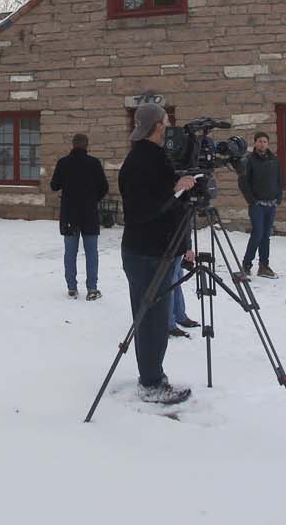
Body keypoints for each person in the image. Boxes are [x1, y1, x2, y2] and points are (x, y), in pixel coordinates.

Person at [118, 102, 197, 405]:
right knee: (151, 320)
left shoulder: (156, 157)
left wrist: (182, 190)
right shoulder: (138, 162)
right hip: (146, 253)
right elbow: (142, 211)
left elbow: (170, 205)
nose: (169, 126)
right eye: (165, 121)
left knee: (154, 318)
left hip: (159, 249)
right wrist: (176, 189)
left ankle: (152, 375)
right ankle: (150, 383)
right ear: (157, 127)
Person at [49, 133, 109, 300]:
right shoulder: (94, 163)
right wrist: (92, 199)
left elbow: (54, 186)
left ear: (73, 145)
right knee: (91, 253)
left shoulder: (63, 163)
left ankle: (72, 288)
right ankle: (92, 288)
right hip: (89, 213)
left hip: (69, 214)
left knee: (70, 252)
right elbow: (104, 187)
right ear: (86, 145)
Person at [238, 131, 283, 278]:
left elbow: (279, 180)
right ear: (255, 143)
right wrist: (252, 200)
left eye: (265, 141)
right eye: (260, 141)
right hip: (257, 204)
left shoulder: (274, 160)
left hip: (271, 204)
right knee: (257, 234)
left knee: (266, 236)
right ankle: (246, 265)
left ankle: (264, 266)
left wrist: (278, 197)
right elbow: (243, 182)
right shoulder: (249, 160)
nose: (262, 144)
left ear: (268, 144)